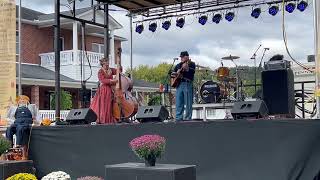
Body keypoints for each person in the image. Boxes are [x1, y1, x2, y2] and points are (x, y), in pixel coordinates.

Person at [6, 95, 40, 159]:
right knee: (9, 128)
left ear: (27, 100)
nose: (22, 100)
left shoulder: (32, 106)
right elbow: (7, 117)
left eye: (24, 99)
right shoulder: (13, 108)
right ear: (18, 101)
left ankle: (18, 145)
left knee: (20, 128)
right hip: (17, 122)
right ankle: (9, 145)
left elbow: (37, 115)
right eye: (20, 99)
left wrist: (39, 122)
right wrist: (13, 122)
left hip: (27, 123)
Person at [90, 58, 118, 124]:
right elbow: (102, 80)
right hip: (103, 90)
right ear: (103, 64)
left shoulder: (111, 70)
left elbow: (119, 70)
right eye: (106, 64)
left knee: (109, 105)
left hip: (110, 89)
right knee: (103, 105)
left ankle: (108, 119)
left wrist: (119, 63)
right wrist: (112, 81)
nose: (107, 65)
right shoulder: (100, 71)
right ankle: (102, 119)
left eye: (108, 64)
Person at [172, 51, 196, 121]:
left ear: (187, 57)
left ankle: (188, 118)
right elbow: (172, 75)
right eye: (181, 57)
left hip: (187, 83)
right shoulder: (178, 65)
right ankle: (178, 118)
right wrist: (176, 73)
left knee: (188, 102)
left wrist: (187, 68)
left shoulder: (191, 64)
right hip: (179, 84)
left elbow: (191, 72)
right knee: (179, 102)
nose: (181, 58)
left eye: (182, 57)